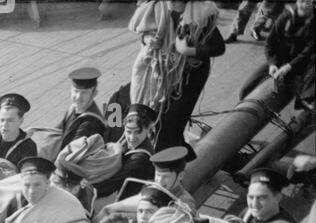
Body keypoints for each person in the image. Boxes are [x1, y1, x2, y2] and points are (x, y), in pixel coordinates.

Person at [153, 2, 225, 151]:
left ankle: (171, 157)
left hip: (191, 76)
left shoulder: (201, 15)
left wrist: (188, 50)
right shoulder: (162, 11)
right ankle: (172, 152)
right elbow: (147, 34)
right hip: (167, 72)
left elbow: (219, 47)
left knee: (174, 119)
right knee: (161, 116)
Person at [240, 0, 316, 100]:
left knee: (306, 99)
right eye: (302, 1)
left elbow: (307, 53)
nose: (304, 5)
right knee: (245, 90)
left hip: (302, 67)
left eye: (308, 3)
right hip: (279, 62)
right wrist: (272, 64)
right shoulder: (285, 17)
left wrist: (289, 66)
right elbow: (269, 44)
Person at [95, 103, 158, 197]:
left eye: (137, 132)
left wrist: (84, 189)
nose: (132, 138)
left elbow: (109, 186)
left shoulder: (140, 158)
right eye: (129, 132)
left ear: (147, 130)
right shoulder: (125, 144)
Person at [56, 67, 108, 148]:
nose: (78, 97)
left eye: (84, 93)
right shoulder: (73, 109)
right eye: (76, 91)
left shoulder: (91, 122)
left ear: (94, 94)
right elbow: (57, 132)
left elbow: (72, 154)